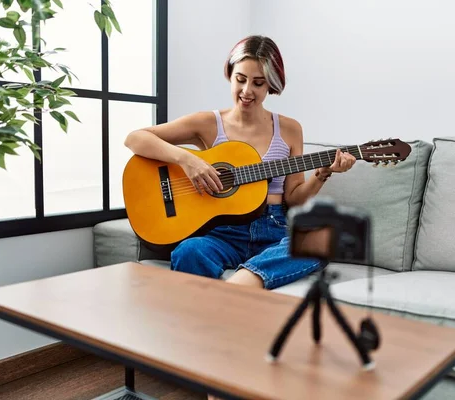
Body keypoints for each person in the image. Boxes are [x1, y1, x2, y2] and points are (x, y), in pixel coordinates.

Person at [124, 35, 356, 291]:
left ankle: (238, 286)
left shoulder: (290, 129)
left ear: (271, 85)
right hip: (223, 231)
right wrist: (188, 160)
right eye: (240, 79)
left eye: (258, 83)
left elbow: (294, 198)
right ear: (230, 75)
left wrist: (322, 173)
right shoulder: (208, 123)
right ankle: (240, 291)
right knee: (188, 251)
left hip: (273, 228)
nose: (247, 91)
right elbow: (135, 138)